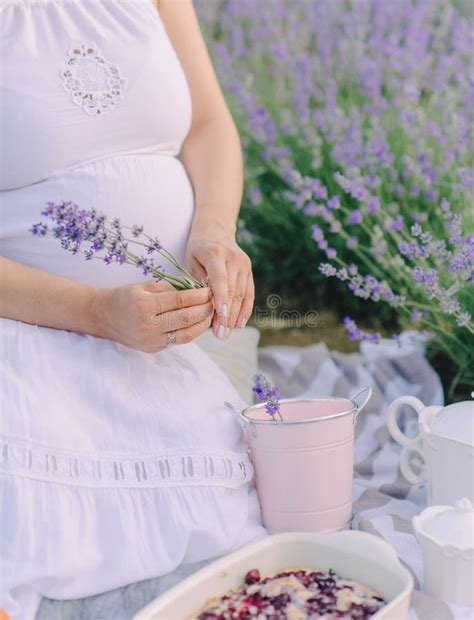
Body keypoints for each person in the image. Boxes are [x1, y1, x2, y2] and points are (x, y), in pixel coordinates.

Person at [0, 0, 266, 617]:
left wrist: (215, 233)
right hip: (23, 329)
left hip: (157, 347)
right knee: (33, 532)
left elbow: (207, 127)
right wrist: (94, 310)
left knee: (217, 528)